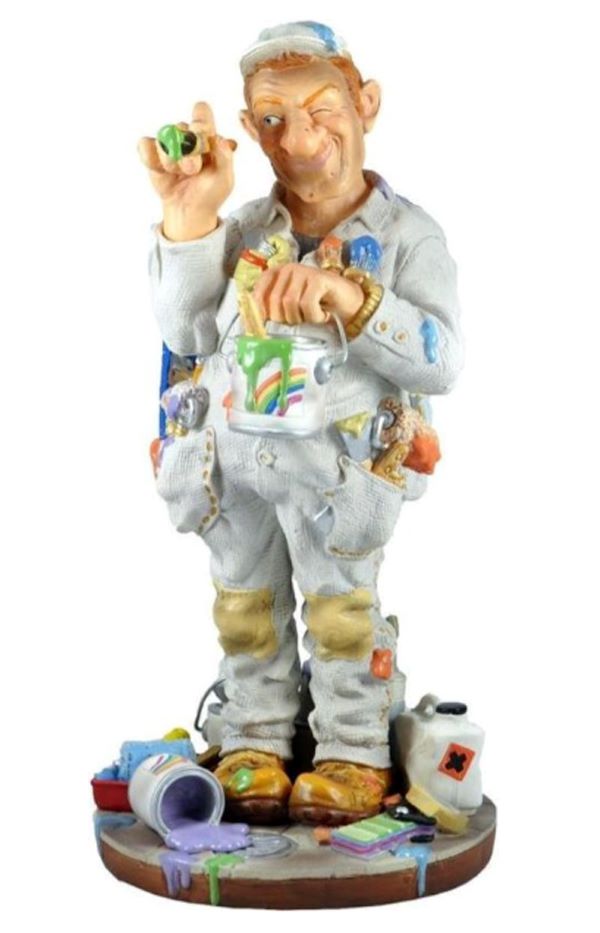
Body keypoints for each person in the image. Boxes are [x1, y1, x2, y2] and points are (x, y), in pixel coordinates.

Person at [139, 21, 464, 826]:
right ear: (250, 131)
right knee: (243, 607)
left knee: (341, 611)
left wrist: (356, 300)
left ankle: (353, 748)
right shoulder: (248, 230)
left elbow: (441, 359)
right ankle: (254, 739)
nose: (302, 139)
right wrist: (190, 218)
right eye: (274, 119)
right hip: (236, 455)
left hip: (338, 467)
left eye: (323, 111)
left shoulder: (407, 237)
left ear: (366, 105)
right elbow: (187, 333)